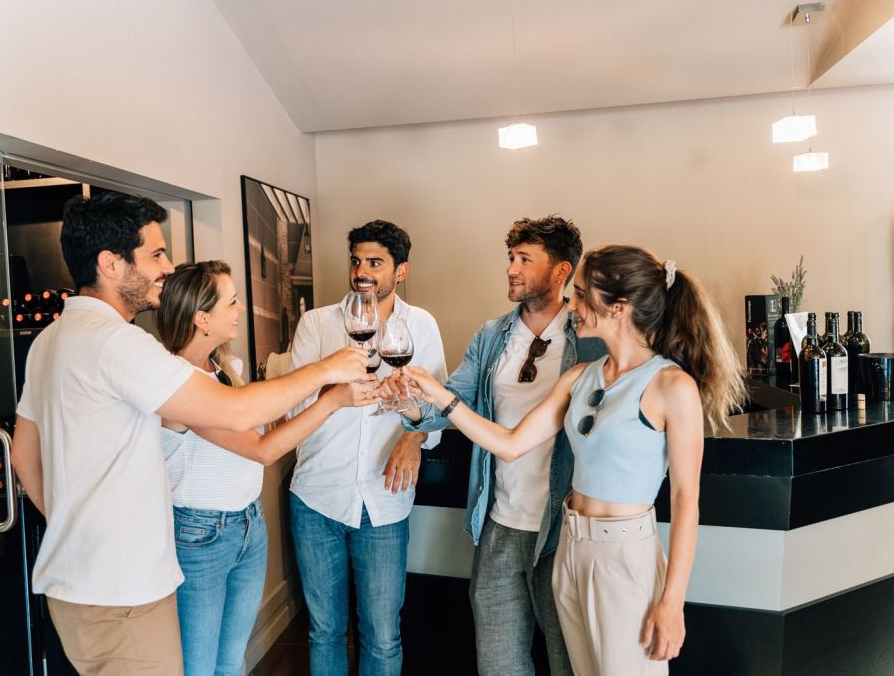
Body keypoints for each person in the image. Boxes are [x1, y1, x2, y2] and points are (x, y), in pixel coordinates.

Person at [10, 192, 369, 675]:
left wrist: (78, 527)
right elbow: (236, 415)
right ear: (110, 264)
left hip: (76, 585)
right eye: (156, 254)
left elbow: (23, 456)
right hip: (124, 592)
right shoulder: (117, 342)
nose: (168, 265)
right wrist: (327, 372)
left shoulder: (50, 339)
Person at [402, 245, 745, 675]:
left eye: (582, 295)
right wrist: (441, 398)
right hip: (569, 549)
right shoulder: (580, 376)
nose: (573, 305)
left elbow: (686, 501)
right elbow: (509, 444)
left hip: (625, 555)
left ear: (618, 308)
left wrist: (672, 602)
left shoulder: (672, 386)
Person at [402, 216, 604, 675]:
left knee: (569, 661)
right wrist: (412, 411)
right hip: (498, 524)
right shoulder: (492, 335)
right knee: (498, 663)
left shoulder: (589, 339)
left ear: (560, 272)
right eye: (511, 258)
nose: (511, 269)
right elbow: (451, 403)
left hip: (562, 531)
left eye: (524, 260)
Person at [155, 260, 378, 675]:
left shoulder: (225, 370)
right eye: (232, 302)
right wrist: (331, 399)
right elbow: (261, 449)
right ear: (202, 318)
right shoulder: (179, 384)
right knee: (200, 667)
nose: (240, 309)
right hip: (200, 535)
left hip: (247, 523)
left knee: (232, 661)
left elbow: (265, 425)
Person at [287, 220, 447, 676]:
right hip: (316, 496)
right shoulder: (317, 324)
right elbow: (294, 407)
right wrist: (336, 382)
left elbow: (436, 410)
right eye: (356, 260)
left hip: (384, 498)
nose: (362, 271)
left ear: (401, 271)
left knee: (382, 633)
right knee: (324, 630)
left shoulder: (421, 326)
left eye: (375, 262)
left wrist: (414, 437)